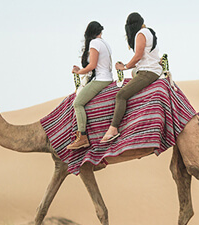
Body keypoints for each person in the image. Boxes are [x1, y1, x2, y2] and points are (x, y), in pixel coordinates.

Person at [102, 12, 162, 143]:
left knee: (121, 95)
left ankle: (113, 128)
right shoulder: (149, 32)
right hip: (151, 69)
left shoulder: (140, 34)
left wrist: (124, 67)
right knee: (134, 73)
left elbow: (138, 56)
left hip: (148, 71)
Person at [68, 21, 113, 149]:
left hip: (101, 79)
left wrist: (78, 71)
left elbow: (92, 65)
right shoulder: (105, 43)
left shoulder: (94, 43)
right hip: (107, 77)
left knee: (78, 103)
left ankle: (82, 136)